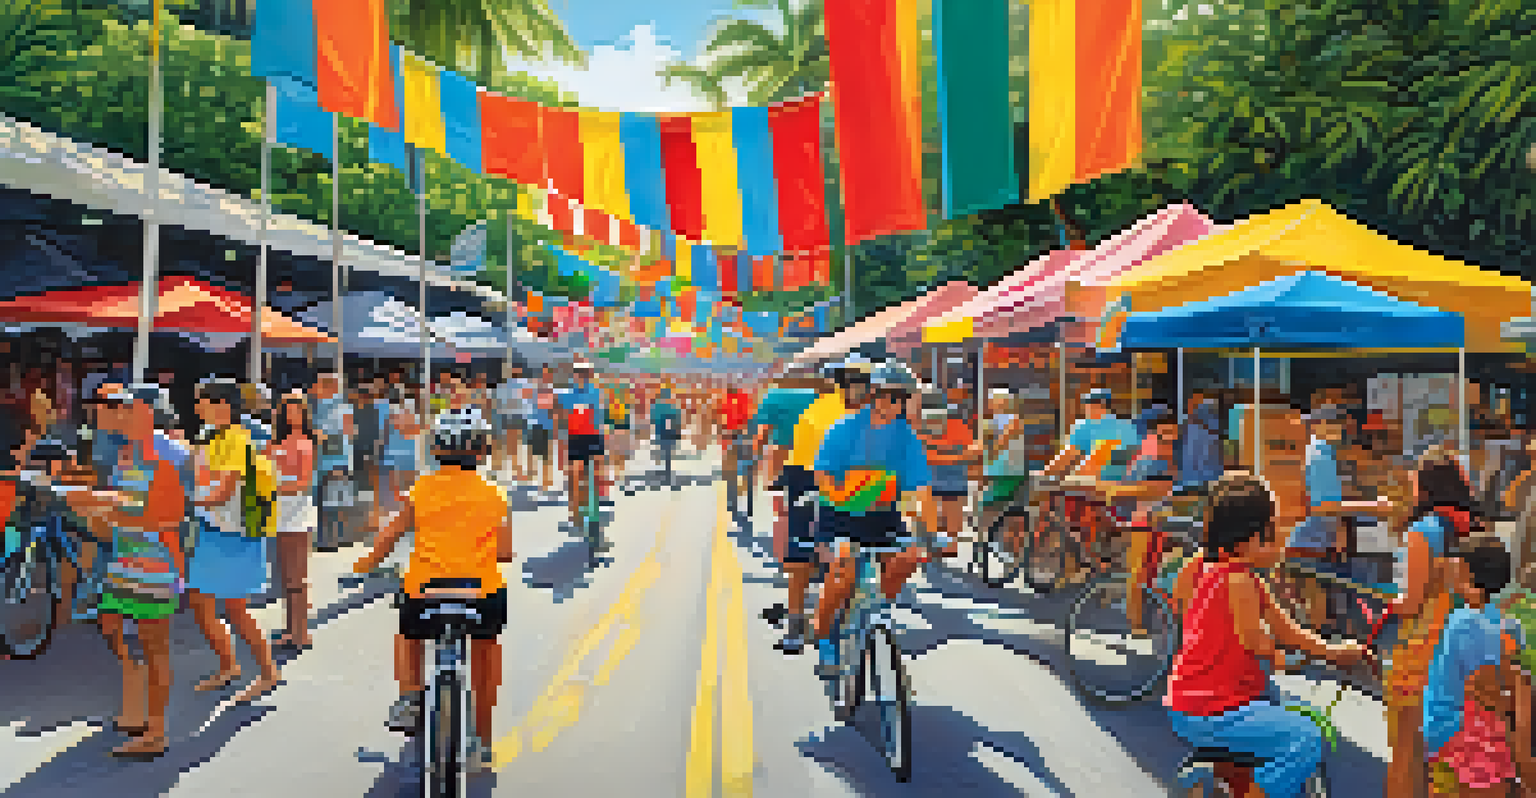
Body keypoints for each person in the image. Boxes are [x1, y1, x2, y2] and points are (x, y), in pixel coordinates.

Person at [1165, 474, 1368, 798]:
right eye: (1271, 533)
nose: (1279, 541)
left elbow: (1285, 628)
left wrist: (1334, 651)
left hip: (1192, 699)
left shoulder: (1205, 568)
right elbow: (1257, 640)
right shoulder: (1240, 581)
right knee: (1305, 736)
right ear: (1246, 539)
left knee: (1277, 703)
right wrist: (1280, 658)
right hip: (1215, 707)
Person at [352, 412, 513, 773]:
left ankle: (410, 695)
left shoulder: (421, 489)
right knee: (486, 652)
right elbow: (504, 552)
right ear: (483, 451)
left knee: (409, 636)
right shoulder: (495, 494)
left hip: (425, 593)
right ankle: (483, 742)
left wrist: (364, 564)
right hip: (481, 594)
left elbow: (389, 538)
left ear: (436, 449)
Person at [64, 385, 187, 758]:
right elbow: (123, 509)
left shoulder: (171, 455)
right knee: (113, 625)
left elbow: (164, 514)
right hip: (128, 557)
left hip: (154, 562)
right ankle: (140, 714)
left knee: (155, 649)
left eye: (127, 409)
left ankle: (156, 731)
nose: (119, 415)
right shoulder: (127, 453)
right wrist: (95, 506)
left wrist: (98, 502)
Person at [810, 361, 937, 676]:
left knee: (909, 557)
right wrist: (841, 498)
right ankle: (824, 639)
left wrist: (932, 533)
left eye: (900, 398)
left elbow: (922, 488)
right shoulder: (844, 429)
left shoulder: (906, 437)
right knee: (842, 576)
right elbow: (822, 475)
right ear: (872, 395)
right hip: (839, 514)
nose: (893, 404)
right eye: (887, 396)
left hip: (882, 515)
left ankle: (876, 608)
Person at [1386, 450, 1487, 798]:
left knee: (1406, 752)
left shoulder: (1421, 531)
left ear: (1427, 487)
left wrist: (1391, 604)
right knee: (1452, 757)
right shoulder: (1476, 529)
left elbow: (1413, 602)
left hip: (1420, 651)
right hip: (1463, 648)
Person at [185, 378, 282, 704]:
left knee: (235, 610)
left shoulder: (236, 439)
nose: (197, 406)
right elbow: (202, 481)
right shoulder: (207, 437)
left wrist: (186, 505)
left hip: (236, 533)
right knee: (201, 603)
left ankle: (268, 673)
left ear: (223, 405)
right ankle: (229, 666)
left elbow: (223, 491)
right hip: (213, 529)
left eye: (203, 401)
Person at [1422, 537, 1533, 797]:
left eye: (1458, 571)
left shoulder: (1463, 623)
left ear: (1470, 577)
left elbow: (1482, 688)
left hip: (1456, 735)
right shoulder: (1512, 626)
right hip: (1485, 738)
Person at [1037, 388, 1141, 583]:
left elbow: (1067, 457)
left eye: (1086, 404)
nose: (1085, 408)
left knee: (1061, 511)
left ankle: (1078, 565)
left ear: (1094, 406)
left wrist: (1044, 475)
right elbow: (1131, 459)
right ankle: (1101, 557)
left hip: (1092, 484)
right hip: (1122, 486)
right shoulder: (1128, 426)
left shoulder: (1085, 426)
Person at [750, 378, 822, 566]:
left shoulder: (773, 396)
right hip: (812, 456)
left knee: (782, 509)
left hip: (780, 456)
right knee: (816, 506)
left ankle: (786, 559)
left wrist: (754, 455)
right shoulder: (818, 396)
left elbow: (763, 433)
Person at [270, 391, 317, 651]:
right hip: (279, 511)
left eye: (297, 410)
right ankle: (292, 631)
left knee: (297, 577)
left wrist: (274, 487)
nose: (292, 415)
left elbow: (303, 482)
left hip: (297, 511)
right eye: (288, 410)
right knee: (286, 576)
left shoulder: (306, 442)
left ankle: (301, 633)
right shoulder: (275, 441)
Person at [916, 390, 976, 558]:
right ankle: (939, 544)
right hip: (934, 477)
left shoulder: (955, 425)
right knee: (934, 511)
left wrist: (945, 457)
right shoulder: (921, 426)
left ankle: (947, 545)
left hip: (950, 477)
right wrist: (955, 457)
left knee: (950, 511)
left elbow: (972, 450)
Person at [557, 361, 606, 532]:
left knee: (596, 473)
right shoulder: (567, 394)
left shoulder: (596, 392)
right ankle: (575, 513)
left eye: (586, 373)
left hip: (593, 437)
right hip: (576, 438)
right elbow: (561, 417)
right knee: (574, 476)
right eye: (580, 373)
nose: (583, 376)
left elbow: (600, 416)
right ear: (575, 375)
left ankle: (595, 504)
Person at [312, 373, 355, 552]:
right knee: (335, 503)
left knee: (329, 504)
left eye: (319, 384)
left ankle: (328, 541)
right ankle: (338, 539)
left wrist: (321, 436)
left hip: (332, 462)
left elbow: (347, 435)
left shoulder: (335, 408)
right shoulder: (339, 407)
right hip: (332, 462)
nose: (315, 387)